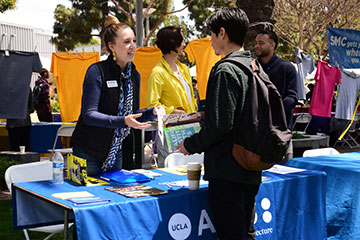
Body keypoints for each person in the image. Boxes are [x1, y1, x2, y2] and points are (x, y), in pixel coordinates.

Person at [176, 8, 261, 239]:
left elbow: (221, 125)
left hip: (228, 169)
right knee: (245, 232)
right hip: (250, 163)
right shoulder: (253, 65)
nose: (211, 40)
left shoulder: (226, 70)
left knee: (233, 234)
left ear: (222, 33)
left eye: (212, 34)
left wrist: (190, 144)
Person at [70, 16, 162, 176]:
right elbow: (89, 115)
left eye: (134, 41)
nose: (132, 46)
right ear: (112, 46)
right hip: (87, 151)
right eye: (127, 42)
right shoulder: (96, 71)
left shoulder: (134, 74)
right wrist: (122, 121)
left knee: (112, 196)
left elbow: (132, 115)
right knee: (84, 197)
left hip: (116, 151)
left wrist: (150, 112)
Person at [146, 26, 198, 114]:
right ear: (172, 43)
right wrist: (173, 111)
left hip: (191, 123)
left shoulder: (184, 69)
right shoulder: (158, 72)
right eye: (181, 41)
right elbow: (152, 105)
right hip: (173, 126)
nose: (184, 44)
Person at [254, 29, 298, 129]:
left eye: (261, 43)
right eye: (256, 43)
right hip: (255, 131)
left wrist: (272, 108)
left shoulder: (287, 68)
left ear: (272, 45)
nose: (256, 46)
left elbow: (292, 98)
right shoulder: (251, 67)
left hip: (280, 131)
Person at [6, 87, 33, 152]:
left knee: (14, 148)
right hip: (25, 120)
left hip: (12, 121)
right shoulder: (27, 87)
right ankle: (26, 161)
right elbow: (31, 107)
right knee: (25, 146)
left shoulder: (7, 88)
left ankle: (15, 161)